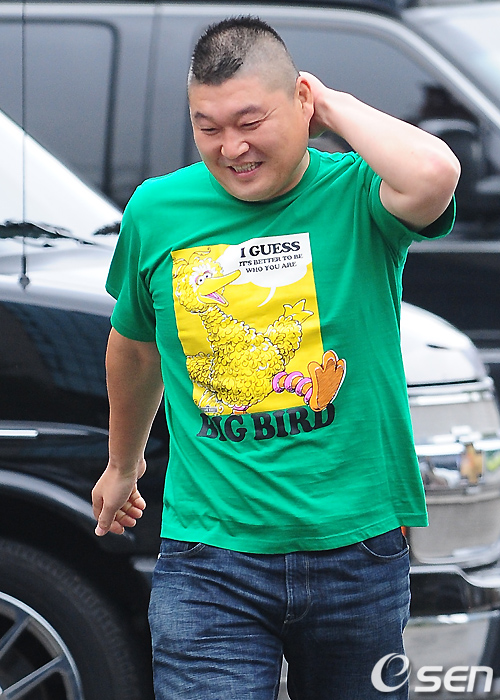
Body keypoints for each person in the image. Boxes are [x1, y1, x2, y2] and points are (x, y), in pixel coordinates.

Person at [91, 15, 460, 700]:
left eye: (250, 121)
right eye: (207, 127)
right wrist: (123, 464)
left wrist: (333, 106)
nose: (231, 147)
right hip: (210, 556)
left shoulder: (356, 193)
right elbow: (135, 349)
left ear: (301, 103)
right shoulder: (158, 209)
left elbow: (435, 172)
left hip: (356, 550)